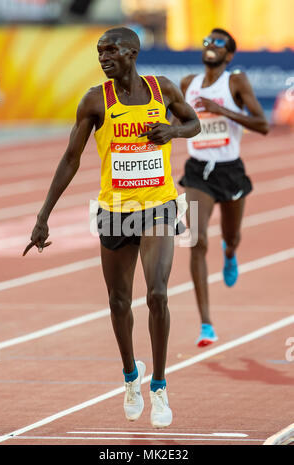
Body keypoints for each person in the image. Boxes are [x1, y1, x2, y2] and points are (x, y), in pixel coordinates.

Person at [23, 27, 200, 428]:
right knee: (119, 302)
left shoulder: (162, 89)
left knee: (157, 293)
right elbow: (71, 158)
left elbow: (194, 125)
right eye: (99, 51)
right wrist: (43, 215)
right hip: (115, 210)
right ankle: (130, 378)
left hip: (159, 206)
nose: (103, 57)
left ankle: (158, 385)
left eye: (110, 50)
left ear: (132, 52)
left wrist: (172, 131)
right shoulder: (95, 100)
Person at [178, 28, 269, 347]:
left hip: (230, 170)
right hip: (197, 171)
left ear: (229, 55)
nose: (211, 45)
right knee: (196, 240)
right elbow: (179, 122)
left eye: (219, 43)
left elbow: (263, 125)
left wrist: (222, 110)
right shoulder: (187, 84)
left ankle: (229, 253)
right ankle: (206, 324)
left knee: (231, 237)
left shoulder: (235, 82)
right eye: (207, 41)